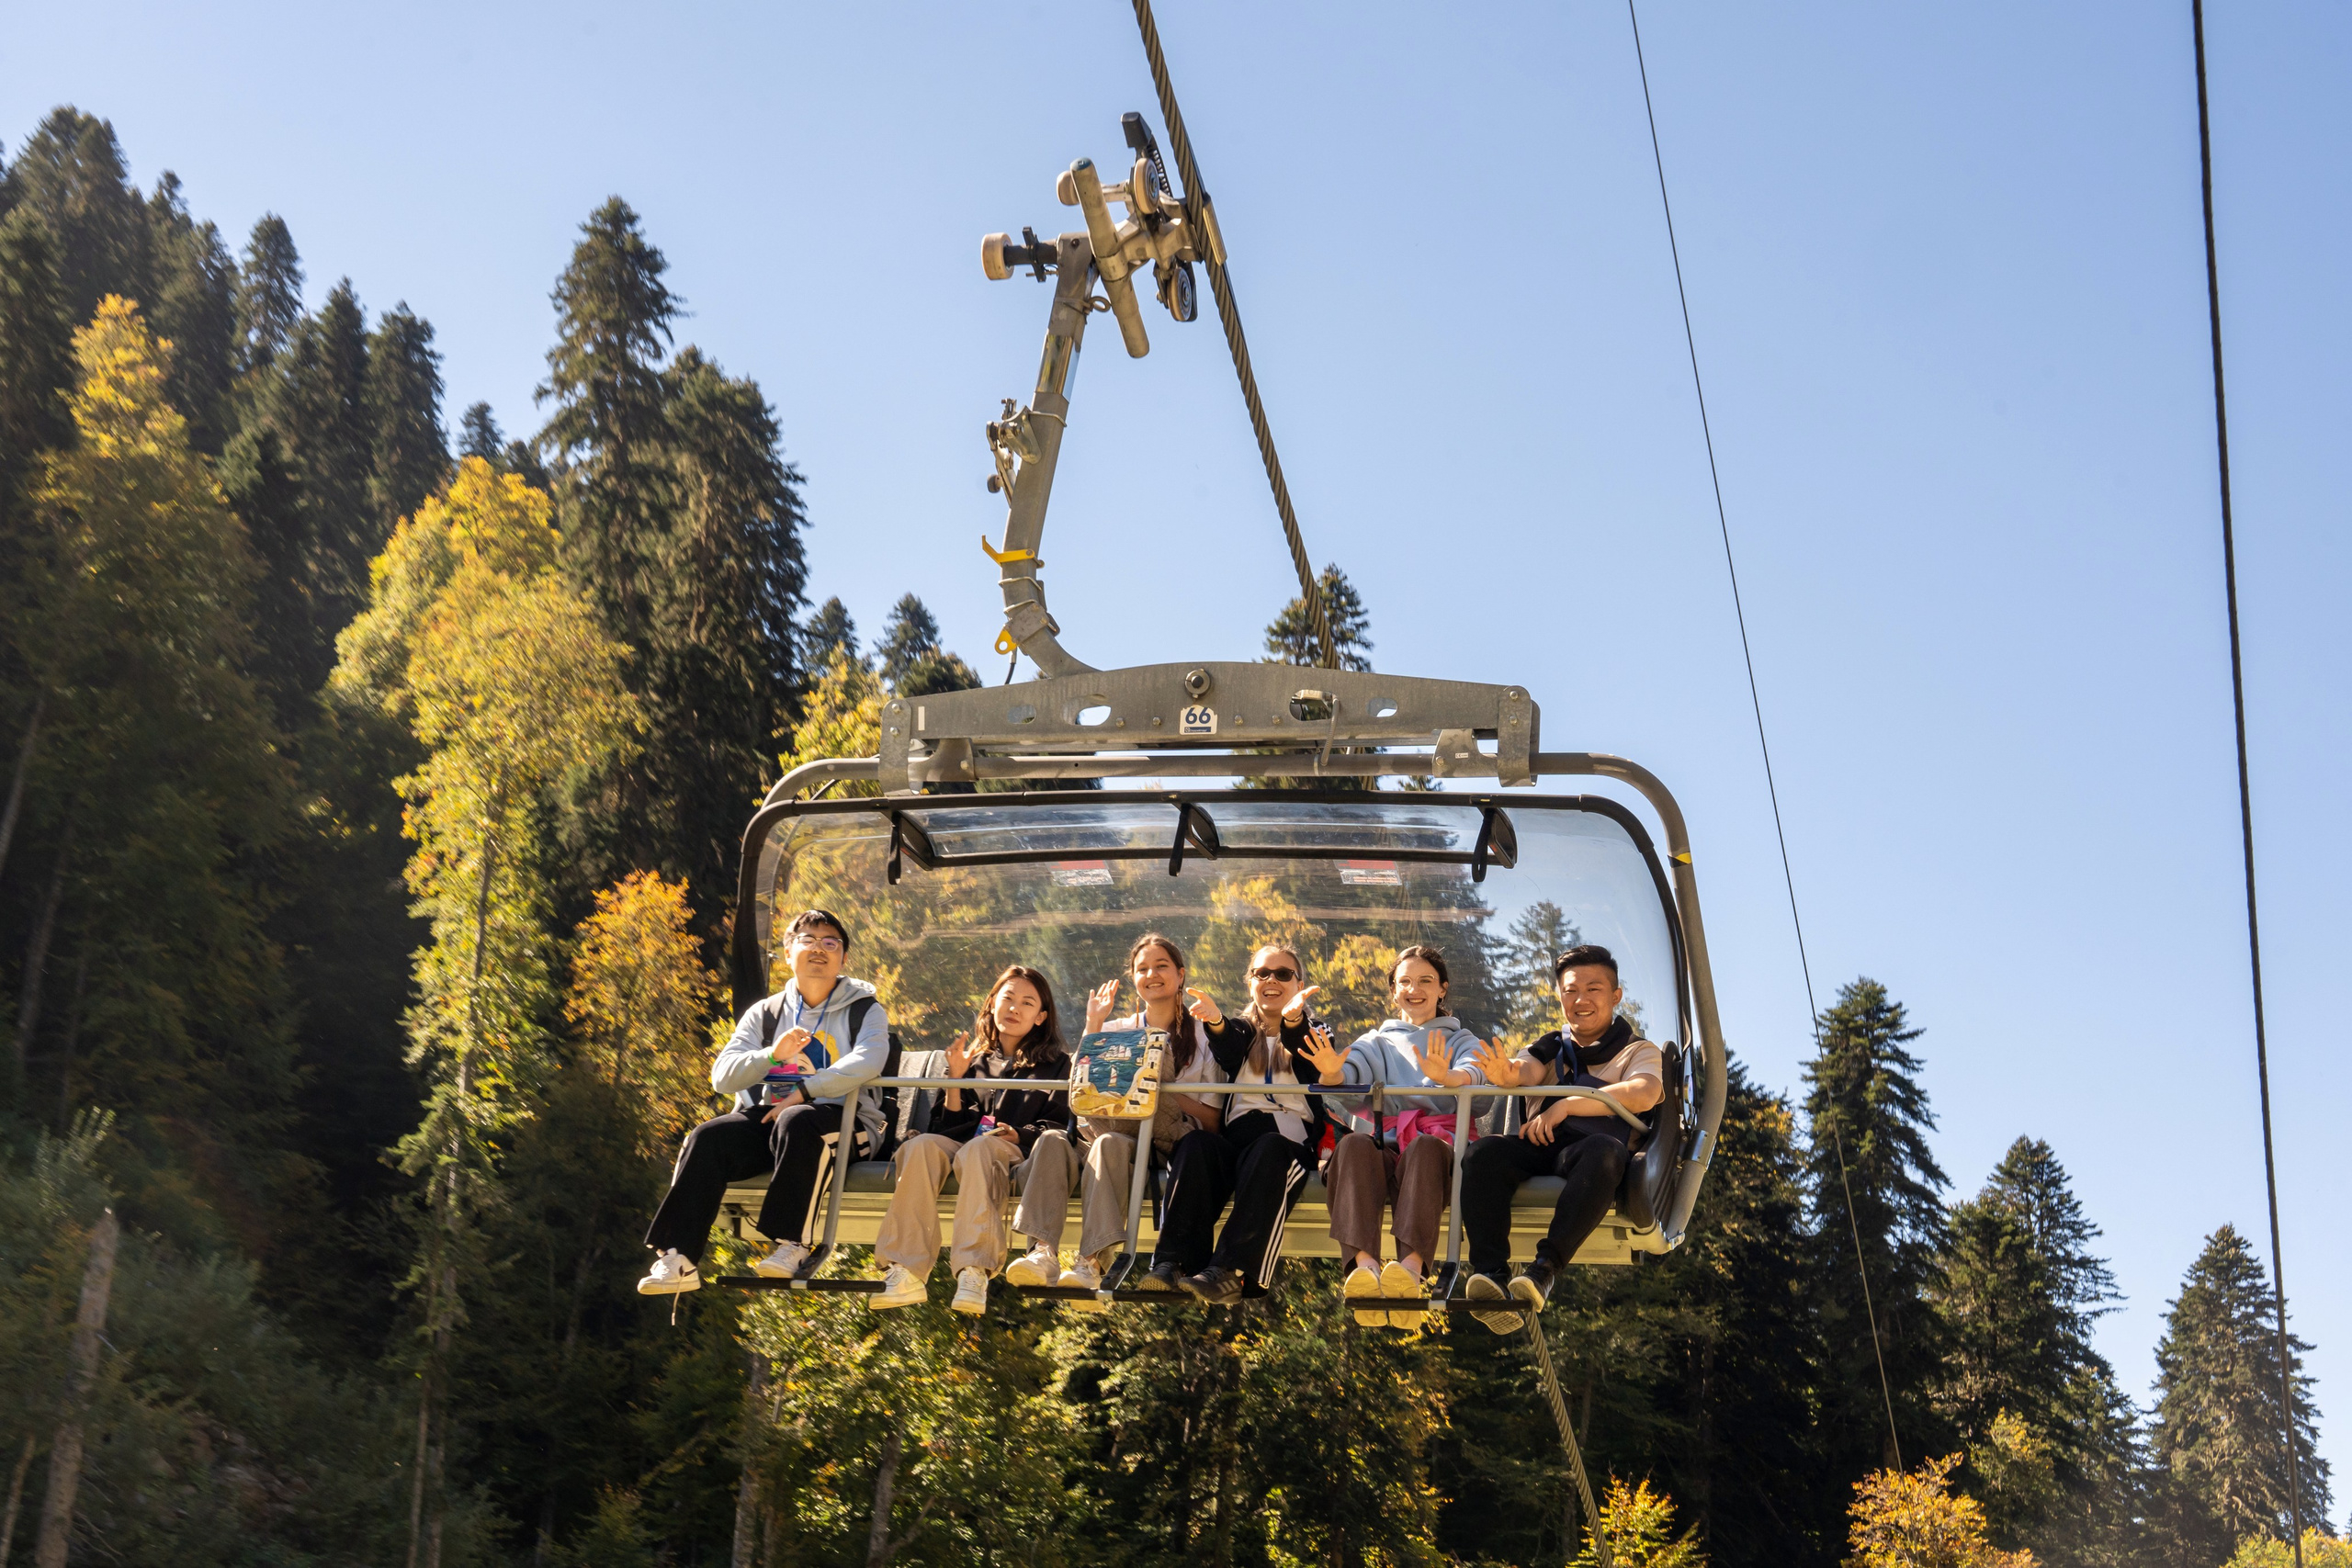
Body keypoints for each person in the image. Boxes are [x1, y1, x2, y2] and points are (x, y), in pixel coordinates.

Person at [639, 908, 890, 1293]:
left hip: (843, 1121)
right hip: (772, 1119)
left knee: (799, 1121)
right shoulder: (767, 1013)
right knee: (708, 1137)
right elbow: (723, 1077)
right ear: (788, 953)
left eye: (830, 942)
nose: (818, 949)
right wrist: (772, 1055)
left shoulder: (865, 1009)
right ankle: (679, 1257)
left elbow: (869, 1059)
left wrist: (805, 1091)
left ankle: (792, 1245)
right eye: (807, 940)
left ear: (844, 957)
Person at [1456, 944, 1664, 1334]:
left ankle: (1544, 1270)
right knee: (1483, 1154)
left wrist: (1569, 1104)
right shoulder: (1552, 1046)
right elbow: (1526, 1070)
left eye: (1594, 989)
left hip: (1589, 1151)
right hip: (1541, 1143)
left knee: (1606, 1152)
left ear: (1616, 995)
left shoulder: (1638, 1051)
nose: (1581, 1000)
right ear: (1559, 996)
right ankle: (1491, 1275)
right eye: (1570, 991)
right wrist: (1506, 1073)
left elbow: (1644, 1092)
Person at [1301, 944, 1494, 1330]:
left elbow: (1477, 1078)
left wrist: (1447, 1077)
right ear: (1393, 992)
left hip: (1434, 1149)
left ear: (1442, 989)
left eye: (1425, 981)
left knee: (1424, 1147)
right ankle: (1366, 1268)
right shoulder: (1376, 1042)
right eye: (1404, 981)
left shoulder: (1459, 1041)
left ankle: (1410, 1270)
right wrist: (1331, 1073)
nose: (1414, 989)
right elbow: (1346, 1079)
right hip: (1383, 1147)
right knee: (1353, 1144)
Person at [870, 965, 1073, 1314]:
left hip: (1018, 1151)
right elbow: (947, 1126)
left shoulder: (1057, 1065)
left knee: (981, 1147)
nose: (1014, 1008)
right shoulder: (975, 1062)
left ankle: (974, 1270)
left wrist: (1018, 1133)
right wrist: (956, 1079)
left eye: (1027, 1003)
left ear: (1040, 1017)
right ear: (992, 1003)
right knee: (919, 1147)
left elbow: (1059, 1124)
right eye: (1007, 998)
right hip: (968, 1146)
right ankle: (904, 1269)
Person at [1059, 932, 1232, 1303]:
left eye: (1161, 966)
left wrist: (1164, 1091)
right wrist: (1093, 1025)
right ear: (1134, 980)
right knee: (1104, 1143)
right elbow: (1082, 1091)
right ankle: (1092, 1259)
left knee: (1154, 1065)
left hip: (1180, 1141)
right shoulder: (1116, 1030)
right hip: (1127, 1136)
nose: (1151, 975)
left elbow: (1215, 1121)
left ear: (1181, 975)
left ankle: (1171, 1262)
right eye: (1142, 969)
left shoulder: (1204, 1036)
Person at [1173, 945, 1335, 1305]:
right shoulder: (1243, 1031)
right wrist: (1215, 1023)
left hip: (1285, 1148)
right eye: (1262, 973)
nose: (1271, 980)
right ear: (1250, 983)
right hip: (1239, 1146)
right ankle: (1176, 1264)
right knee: (1196, 1144)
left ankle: (1231, 1272)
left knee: (1269, 1146)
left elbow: (1311, 1063)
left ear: (1299, 983)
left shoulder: (1317, 1030)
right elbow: (1229, 1049)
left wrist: (1293, 1022)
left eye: (1282, 974)